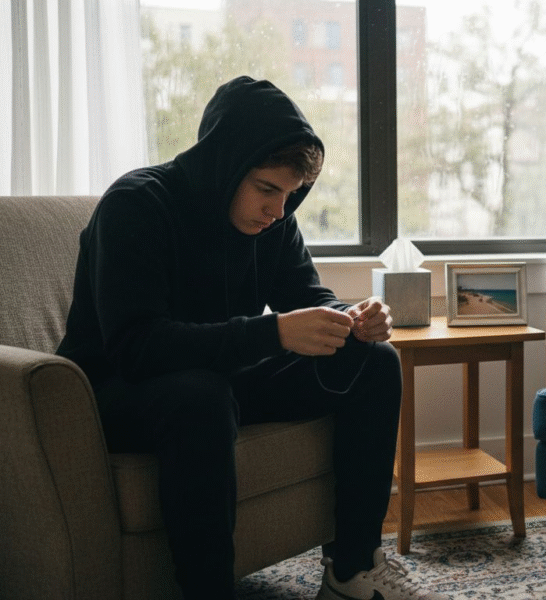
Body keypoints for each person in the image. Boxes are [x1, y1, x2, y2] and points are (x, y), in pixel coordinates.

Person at [56, 76, 448, 600]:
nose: (278, 210)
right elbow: (137, 345)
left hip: (219, 377)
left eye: (290, 195)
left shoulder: (272, 224)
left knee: (375, 360)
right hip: (116, 388)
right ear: (225, 164)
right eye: (268, 189)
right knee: (201, 395)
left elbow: (305, 294)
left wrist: (352, 318)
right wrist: (274, 332)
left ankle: (351, 568)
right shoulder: (136, 206)